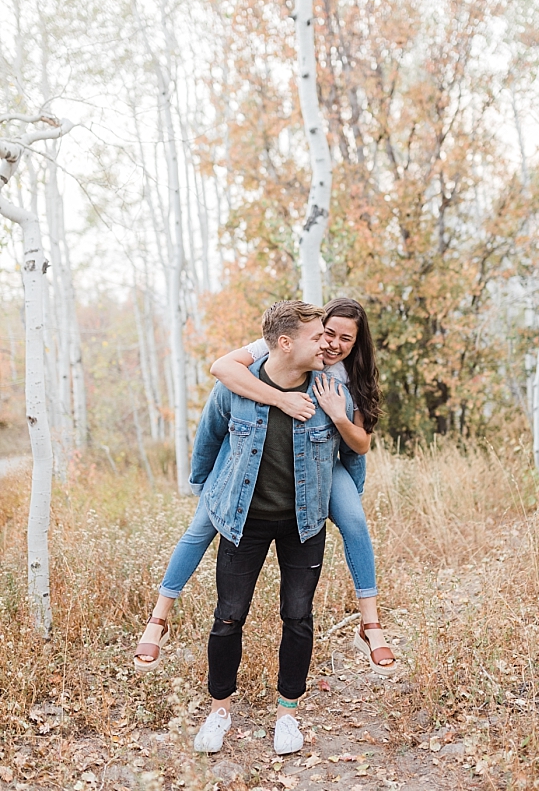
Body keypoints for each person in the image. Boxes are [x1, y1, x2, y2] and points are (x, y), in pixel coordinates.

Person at [133, 299, 396, 678]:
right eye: (326, 333)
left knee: (354, 520)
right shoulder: (275, 348)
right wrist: (203, 483)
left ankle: (370, 624)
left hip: (324, 460)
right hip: (239, 462)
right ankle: (159, 618)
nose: (331, 343)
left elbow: (358, 449)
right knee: (200, 527)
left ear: (356, 343)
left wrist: (348, 484)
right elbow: (218, 391)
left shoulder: (343, 379)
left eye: (344, 339)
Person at [184, 301, 349, 754]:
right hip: (244, 523)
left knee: (297, 618)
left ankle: (287, 715)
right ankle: (219, 710)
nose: (328, 344)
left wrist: (344, 503)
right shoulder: (236, 387)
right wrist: (206, 494)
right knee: (228, 617)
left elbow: (354, 454)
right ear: (285, 342)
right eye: (318, 337)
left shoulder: (331, 391)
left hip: (305, 523)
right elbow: (208, 439)